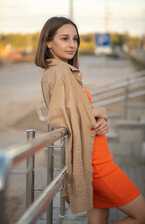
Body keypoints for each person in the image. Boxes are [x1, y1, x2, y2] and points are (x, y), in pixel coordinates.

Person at [35, 16, 145, 224]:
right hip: (98, 164)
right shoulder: (60, 72)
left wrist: (96, 118)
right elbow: (62, 116)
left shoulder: (58, 70)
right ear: (49, 42)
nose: (72, 44)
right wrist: (99, 111)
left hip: (94, 157)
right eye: (64, 38)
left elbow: (76, 113)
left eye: (75, 39)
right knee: (141, 216)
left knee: (99, 219)